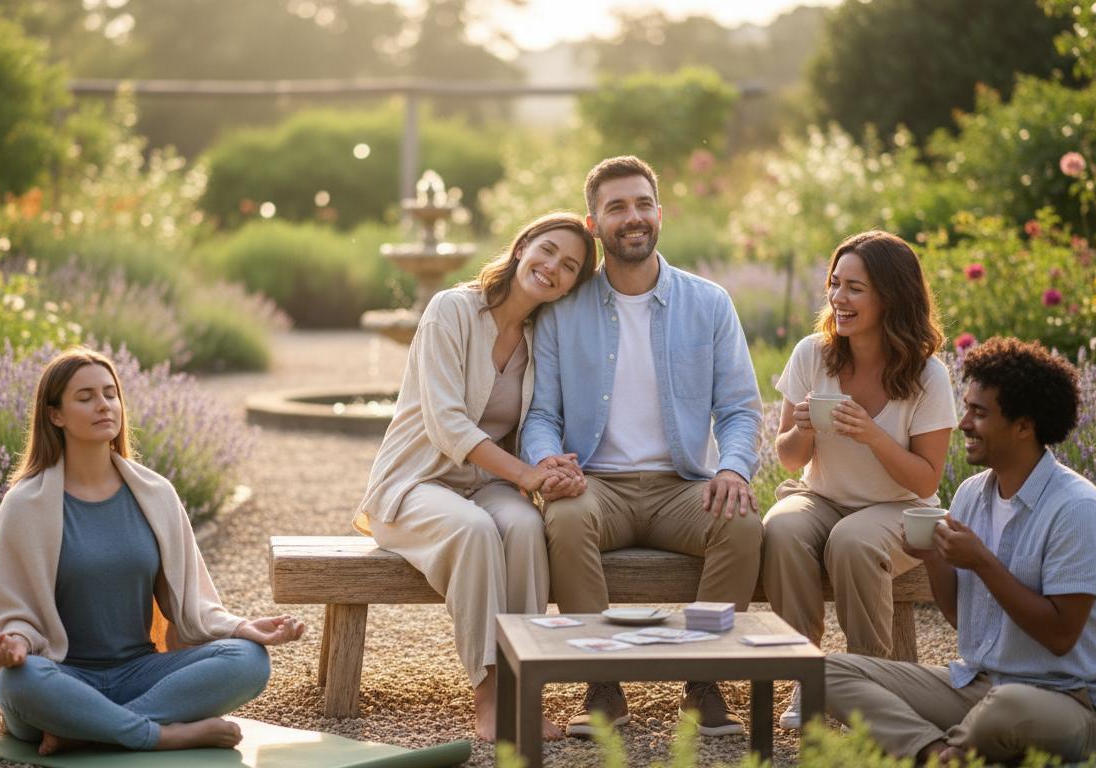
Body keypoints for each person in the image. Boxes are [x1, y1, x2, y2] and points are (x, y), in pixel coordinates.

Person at [520, 155, 764, 738]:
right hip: (596, 484)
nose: (633, 217)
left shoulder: (709, 303)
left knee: (740, 523)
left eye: (643, 204)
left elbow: (739, 409)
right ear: (593, 225)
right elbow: (541, 415)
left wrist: (733, 469)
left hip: (683, 487)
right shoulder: (562, 310)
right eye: (617, 207)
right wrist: (549, 464)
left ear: (660, 212)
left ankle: (703, 681)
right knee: (566, 517)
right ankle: (602, 685)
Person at [0, 347, 305, 755]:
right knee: (18, 682)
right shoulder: (25, 504)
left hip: (140, 674)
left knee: (249, 660)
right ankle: (160, 734)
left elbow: (189, 602)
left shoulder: (155, 494)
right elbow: (13, 611)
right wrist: (16, 644)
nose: (103, 405)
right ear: (55, 415)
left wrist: (241, 627)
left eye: (110, 394)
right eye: (85, 397)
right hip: (62, 676)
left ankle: (86, 730)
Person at [826, 336, 1096, 764]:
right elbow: (962, 618)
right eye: (966, 408)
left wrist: (982, 562)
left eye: (979, 413)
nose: (963, 423)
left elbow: (1061, 636)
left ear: (1024, 426)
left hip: (1068, 702)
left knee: (1006, 709)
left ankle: (947, 746)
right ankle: (936, 752)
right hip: (980, 686)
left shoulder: (1076, 509)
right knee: (826, 672)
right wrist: (934, 557)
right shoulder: (971, 495)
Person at [355, 212, 598, 741]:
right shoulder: (452, 309)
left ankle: (524, 688)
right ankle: (488, 698)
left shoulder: (541, 336)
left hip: (485, 485)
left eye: (569, 266)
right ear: (522, 246)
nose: (553, 267)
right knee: (475, 531)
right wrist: (527, 476)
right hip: (414, 483)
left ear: (571, 286)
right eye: (548, 250)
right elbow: (446, 424)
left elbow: (541, 419)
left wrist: (554, 466)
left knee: (526, 528)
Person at [762, 230, 956, 730]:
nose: (838, 298)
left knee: (852, 541)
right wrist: (803, 429)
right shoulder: (812, 354)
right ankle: (807, 677)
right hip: (821, 496)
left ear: (891, 296)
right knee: (780, 528)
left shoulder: (928, 375)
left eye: (855, 288)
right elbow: (788, 458)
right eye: (834, 283)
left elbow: (925, 479)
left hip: (899, 507)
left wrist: (872, 435)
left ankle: (869, 685)